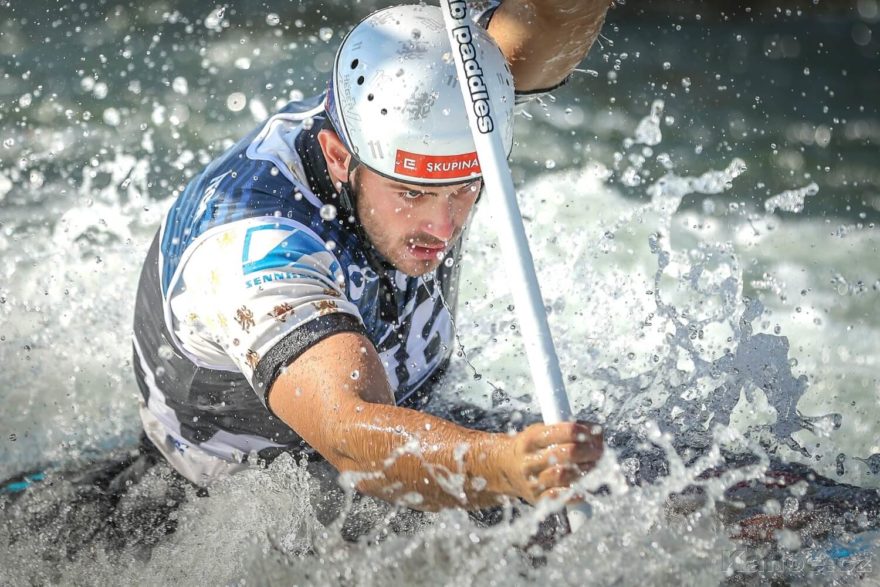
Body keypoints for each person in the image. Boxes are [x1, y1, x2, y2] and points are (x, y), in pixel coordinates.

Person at [132, 0, 612, 511]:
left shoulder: (443, 124)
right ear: (340, 158)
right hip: (255, 501)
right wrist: (507, 467)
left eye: (464, 189)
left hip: (413, 434)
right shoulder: (253, 248)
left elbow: (551, 21)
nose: (443, 226)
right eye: (412, 194)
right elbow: (351, 435)